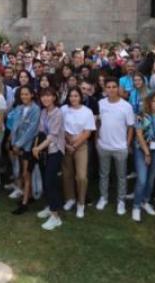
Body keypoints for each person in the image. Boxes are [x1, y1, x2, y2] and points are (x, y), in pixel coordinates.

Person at [96, 78, 135, 216]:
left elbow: (131, 127)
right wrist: (97, 140)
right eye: (108, 87)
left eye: (114, 87)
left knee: (121, 176)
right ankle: (104, 197)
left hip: (120, 147)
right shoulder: (100, 103)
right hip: (103, 146)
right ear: (105, 89)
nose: (111, 89)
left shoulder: (126, 106)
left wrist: (127, 144)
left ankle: (121, 201)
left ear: (118, 88)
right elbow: (97, 123)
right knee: (104, 174)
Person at [132, 92, 155, 221]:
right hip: (142, 150)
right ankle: (136, 206)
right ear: (149, 102)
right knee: (142, 178)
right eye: (154, 101)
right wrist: (147, 152)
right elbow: (139, 135)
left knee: (151, 179)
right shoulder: (140, 116)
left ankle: (145, 201)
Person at [60, 86, 95, 219]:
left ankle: (81, 203)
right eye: (71, 96)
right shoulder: (64, 110)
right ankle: (70, 198)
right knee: (67, 174)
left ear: (80, 97)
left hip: (80, 146)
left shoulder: (87, 111)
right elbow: (61, 127)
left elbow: (88, 132)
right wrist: (68, 143)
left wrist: (75, 144)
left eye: (76, 96)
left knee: (81, 176)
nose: (73, 98)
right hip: (66, 144)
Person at [33, 87, 65, 230]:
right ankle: (51, 206)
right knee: (46, 181)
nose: (45, 99)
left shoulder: (58, 113)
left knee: (50, 181)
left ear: (54, 97)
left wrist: (38, 148)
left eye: (48, 96)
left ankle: (55, 217)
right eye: (43, 96)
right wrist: (36, 147)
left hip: (55, 150)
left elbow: (52, 135)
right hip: (43, 150)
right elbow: (40, 132)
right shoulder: (43, 112)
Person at [8, 85, 40, 215]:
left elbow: (31, 131)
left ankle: (24, 203)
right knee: (22, 171)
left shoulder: (36, 109)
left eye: (27, 94)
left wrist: (18, 144)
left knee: (26, 174)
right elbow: (14, 126)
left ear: (32, 95)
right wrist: (13, 142)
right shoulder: (19, 108)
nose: (24, 96)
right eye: (22, 94)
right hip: (17, 145)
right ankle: (30, 195)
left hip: (27, 147)